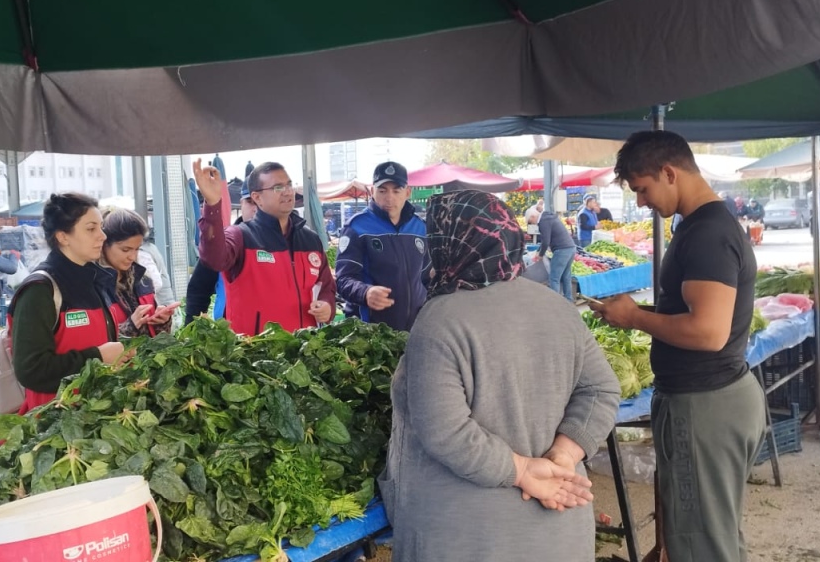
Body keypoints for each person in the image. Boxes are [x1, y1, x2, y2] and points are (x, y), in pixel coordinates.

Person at [379, 189, 619, 562]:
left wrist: (522, 470)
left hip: (467, 537)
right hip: (558, 530)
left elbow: (445, 431)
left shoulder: (439, 320)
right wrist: (564, 455)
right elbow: (601, 390)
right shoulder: (557, 306)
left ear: (447, 243)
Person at [592, 131, 765, 562]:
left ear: (669, 172)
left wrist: (634, 317)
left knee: (700, 545)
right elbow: (692, 310)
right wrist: (637, 309)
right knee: (713, 537)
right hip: (711, 400)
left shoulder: (708, 232)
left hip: (705, 405)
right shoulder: (700, 226)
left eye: (642, 189)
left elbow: (708, 332)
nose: (642, 203)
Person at [9, 193, 127, 415]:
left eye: (101, 227)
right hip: (56, 424)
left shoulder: (96, 280)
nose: (102, 236)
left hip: (97, 417)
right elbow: (31, 370)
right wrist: (98, 357)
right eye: (91, 229)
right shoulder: (40, 290)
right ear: (63, 236)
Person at [193, 159, 336, 335]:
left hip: (304, 352)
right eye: (277, 187)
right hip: (255, 354)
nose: (287, 192)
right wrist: (213, 205)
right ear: (257, 197)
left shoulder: (310, 240)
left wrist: (327, 306)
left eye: (289, 185)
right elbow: (213, 259)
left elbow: (326, 287)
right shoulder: (240, 236)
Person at [335, 162, 429, 332]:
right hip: (371, 334)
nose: (389, 197)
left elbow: (430, 277)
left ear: (407, 192)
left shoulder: (421, 227)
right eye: (382, 190)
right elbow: (343, 280)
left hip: (416, 329)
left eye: (396, 190)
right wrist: (365, 292)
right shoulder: (356, 228)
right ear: (372, 192)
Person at [97, 208, 177, 338]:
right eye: (126, 249)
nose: (132, 257)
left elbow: (156, 338)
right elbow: (98, 345)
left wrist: (162, 322)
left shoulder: (143, 280)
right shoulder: (95, 286)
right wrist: (130, 326)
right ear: (104, 245)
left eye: (137, 249)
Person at [186, 195, 258, 324]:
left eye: (259, 202)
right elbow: (198, 290)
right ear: (241, 203)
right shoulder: (222, 245)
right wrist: (192, 329)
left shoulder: (291, 242)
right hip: (231, 335)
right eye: (250, 202)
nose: (256, 209)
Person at [537, 210, 577, 302]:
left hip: (562, 250)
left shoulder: (543, 221)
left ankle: (556, 303)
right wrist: (539, 250)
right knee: (566, 276)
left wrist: (540, 254)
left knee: (554, 278)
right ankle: (569, 300)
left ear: (532, 217)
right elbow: (546, 239)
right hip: (571, 247)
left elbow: (546, 241)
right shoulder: (550, 218)